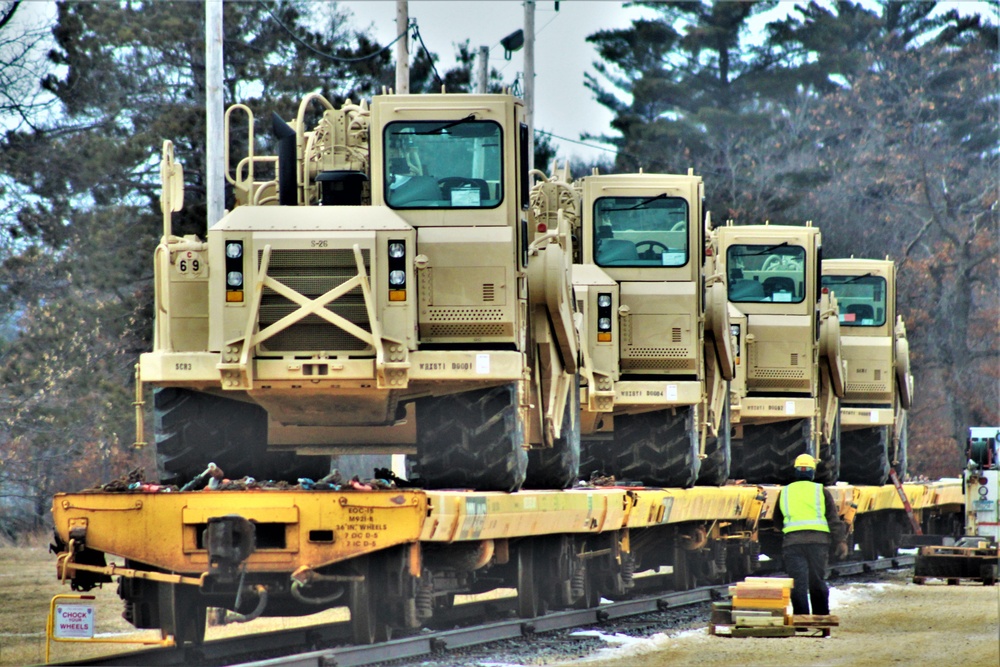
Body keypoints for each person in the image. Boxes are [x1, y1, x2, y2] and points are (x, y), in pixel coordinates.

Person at [772, 453, 849, 616]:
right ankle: (821, 617)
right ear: (812, 472)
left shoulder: (785, 492)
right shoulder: (821, 491)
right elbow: (833, 520)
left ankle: (801, 620)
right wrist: (841, 541)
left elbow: (777, 521)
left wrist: (790, 529)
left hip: (793, 544)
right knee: (817, 581)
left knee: (798, 584)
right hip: (818, 544)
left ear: (796, 471)